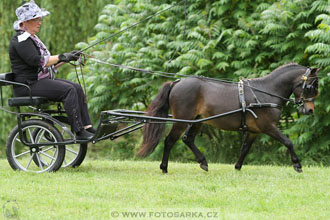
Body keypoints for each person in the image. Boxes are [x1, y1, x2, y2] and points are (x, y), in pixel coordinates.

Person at [9, 0, 94, 140]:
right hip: (28, 85)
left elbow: (48, 65)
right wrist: (61, 56)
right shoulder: (20, 40)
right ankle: (79, 132)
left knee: (77, 88)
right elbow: (38, 61)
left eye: (39, 19)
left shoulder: (32, 38)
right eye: (35, 19)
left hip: (38, 82)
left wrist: (67, 58)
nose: (39, 22)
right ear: (24, 23)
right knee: (69, 90)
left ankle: (87, 127)